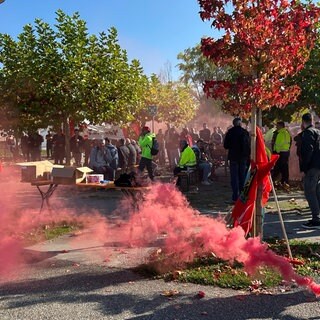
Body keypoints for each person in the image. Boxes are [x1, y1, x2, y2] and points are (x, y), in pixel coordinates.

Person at [299, 113, 320, 229]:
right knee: (316, 192)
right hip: (318, 166)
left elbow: (308, 151)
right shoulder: (318, 132)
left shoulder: (308, 133)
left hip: (312, 166)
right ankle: (317, 218)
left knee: (310, 192)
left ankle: (316, 220)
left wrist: (304, 167)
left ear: (303, 122)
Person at [224, 117, 250, 203]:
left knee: (234, 177)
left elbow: (226, 145)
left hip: (233, 157)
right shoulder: (245, 132)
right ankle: (242, 196)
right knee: (242, 176)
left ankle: (235, 196)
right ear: (240, 123)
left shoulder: (230, 132)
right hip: (243, 157)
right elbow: (247, 145)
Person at [271, 121, 292, 187]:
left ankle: (274, 182)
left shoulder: (280, 133)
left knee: (278, 168)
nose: (276, 127)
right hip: (285, 152)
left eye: (277, 126)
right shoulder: (287, 133)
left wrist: (275, 151)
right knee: (284, 168)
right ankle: (284, 182)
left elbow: (278, 144)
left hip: (280, 153)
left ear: (280, 126)